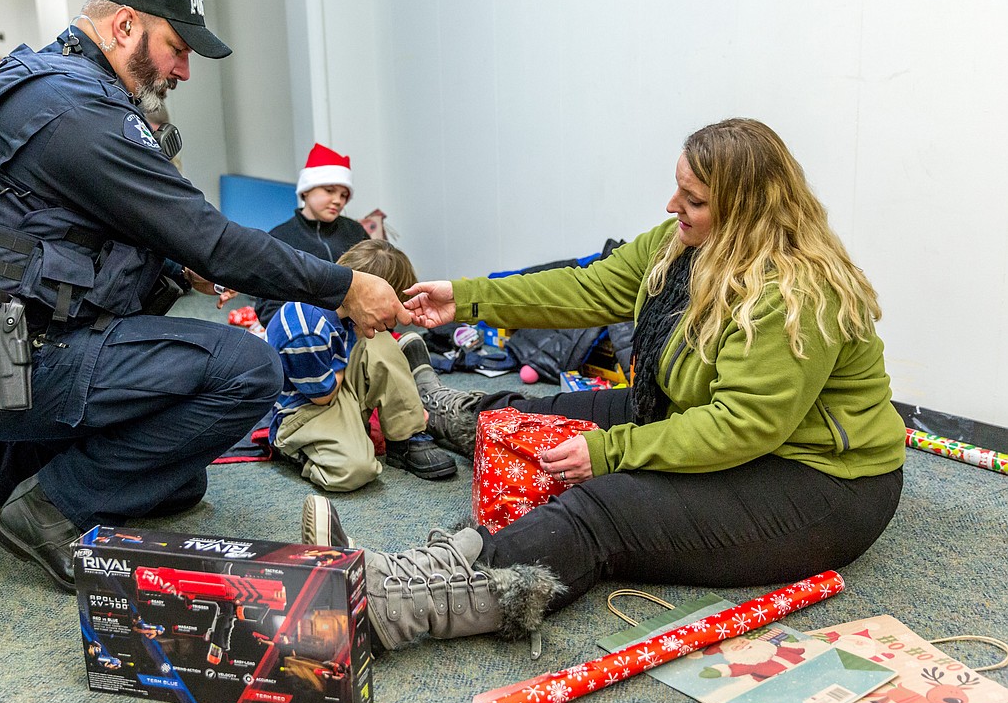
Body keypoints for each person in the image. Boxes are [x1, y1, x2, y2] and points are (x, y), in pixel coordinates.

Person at [0, 0, 409, 594]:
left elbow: (66, 227)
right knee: (249, 371)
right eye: (176, 47)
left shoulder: (47, 84)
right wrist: (346, 285)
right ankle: (47, 512)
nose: (183, 70)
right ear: (124, 27)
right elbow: (213, 238)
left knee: (176, 477)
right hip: (6, 363)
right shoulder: (75, 112)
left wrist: (174, 263)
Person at [300, 118, 906, 654]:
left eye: (691, 198)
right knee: (547, 412)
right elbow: (590, 287)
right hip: (694, 412)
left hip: (822, 484)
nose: (672, 204)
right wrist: (465, 298)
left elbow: (741, 425)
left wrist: (611, 453)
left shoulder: (793, 293)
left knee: (603, 508)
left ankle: (394, 600)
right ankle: (440, 411)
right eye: (678, 187)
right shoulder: (687, 243)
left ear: (744, 210)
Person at [267, 239, 456, 491]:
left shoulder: (347, 313)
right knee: (356, 471)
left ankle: (406, 437)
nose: (393, 320)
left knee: (379, 340)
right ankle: (297, 451)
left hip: (332, 380)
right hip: (306, 407)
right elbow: (323, 397)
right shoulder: (307, 332)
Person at [251, 143, 372, 326]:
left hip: (361, 330)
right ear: (306, 189)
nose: (337, 200)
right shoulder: (280, 238)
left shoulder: (355, 232)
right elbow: (268, 309)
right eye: (329, 191)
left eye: (344, 195)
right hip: (305, 337)